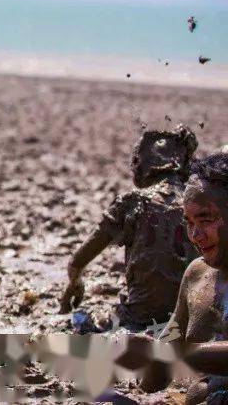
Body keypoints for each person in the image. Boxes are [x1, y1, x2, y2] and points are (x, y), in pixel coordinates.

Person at [60, 125, 198, 331]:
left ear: (141, 165)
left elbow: (79, 260)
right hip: (190, 318)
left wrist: (75, 282)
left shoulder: (132, 201)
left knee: (80, 324)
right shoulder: (198, 203)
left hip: (140, 314)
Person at [115, 151, 228, 403]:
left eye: (205, 219)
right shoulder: (196, 275)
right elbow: (157, 378)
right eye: (188, 222)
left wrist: (169, 354)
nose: (195, 235)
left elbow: (170, 354)